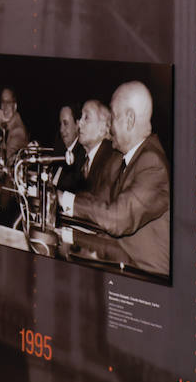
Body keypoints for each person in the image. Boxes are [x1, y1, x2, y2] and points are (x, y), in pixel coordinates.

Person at [60, 81, 169, 276]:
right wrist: (64, 234)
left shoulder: (152, 164)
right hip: (122, 259)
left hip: (147, 277)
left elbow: (117, 219)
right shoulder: (131, 159)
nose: (109, 127)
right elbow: (102, 206)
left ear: (129, 120)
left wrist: (66, 201)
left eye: (114, 117)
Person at [71, 99, 122, 199]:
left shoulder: (112, 159)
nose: (79, 123)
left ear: (103, 128)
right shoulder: (80, 158)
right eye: (81, 116)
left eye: (86, 117)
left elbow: (98, 203)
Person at [50, 105, 86, 190]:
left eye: (65, 123)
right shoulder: (59, 148)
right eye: (60, 124)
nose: (61, 129)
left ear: (77, 125)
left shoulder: (83, 154)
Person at [0, 87, 28, 162]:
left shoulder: (18, 131)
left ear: (15, 106)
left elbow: (6, 161)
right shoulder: (6, 125)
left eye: (8, 102)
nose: (4, 107)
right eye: (3, 102)